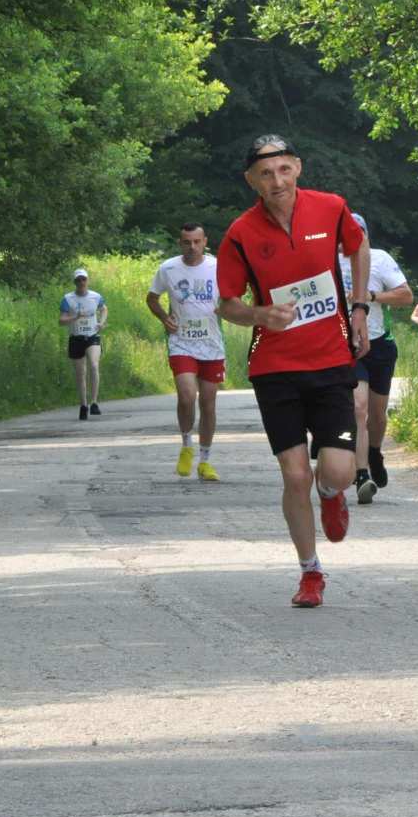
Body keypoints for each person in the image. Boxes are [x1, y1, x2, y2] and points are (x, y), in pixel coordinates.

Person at [217, 134, 370, 608]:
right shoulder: (240, 233)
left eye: (284, 169)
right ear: (251, 181)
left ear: (298, 168)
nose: (277, 181)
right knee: (295, 474)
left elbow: (358, 247)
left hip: (330, 360)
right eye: (265, 174)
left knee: (339, 470)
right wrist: (260, 315)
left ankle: (331, 491)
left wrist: (359, 307)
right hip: (274, 367)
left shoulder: (331, 208)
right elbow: (227, 303)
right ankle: (310, 571)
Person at [339, 214, 412, 504]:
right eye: (348, 231)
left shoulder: (380, 259)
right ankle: (361, 475)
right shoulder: (329, 262)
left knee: (377, 415)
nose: (354, 236)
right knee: (359, 408)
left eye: (360, 231)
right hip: (346, 345)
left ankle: (374, 452)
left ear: (367, 235)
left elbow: (406, 295)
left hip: (380, 344)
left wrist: (371, 296)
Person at [147, 223, 225, 481]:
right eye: (186, 242)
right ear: (179, 243)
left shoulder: (217, 267)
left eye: (196, 241)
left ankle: (205, 461)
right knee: (187, 395)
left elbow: (231, 296)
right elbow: (152, 298)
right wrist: (164, 318)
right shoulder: (168, 268)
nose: (192, 247)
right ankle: (186, 446)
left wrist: (228, 308)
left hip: (211, 344)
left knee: (208, 403)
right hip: (181, 342)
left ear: (205, 242)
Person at [59, 268, 107, 420]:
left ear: (87, 280)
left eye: (83, 279)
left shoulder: (96, 297)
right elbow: (61, 321)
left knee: (94, 365)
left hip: (92, 336)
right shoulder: (68, 299)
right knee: (80, 373)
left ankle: (94, 402)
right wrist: (75, 317)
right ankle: (83, 405)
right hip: (76, 338)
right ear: (74, 282)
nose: (81, 282)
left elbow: (104, 309)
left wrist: (101, 322)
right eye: (78, 280)